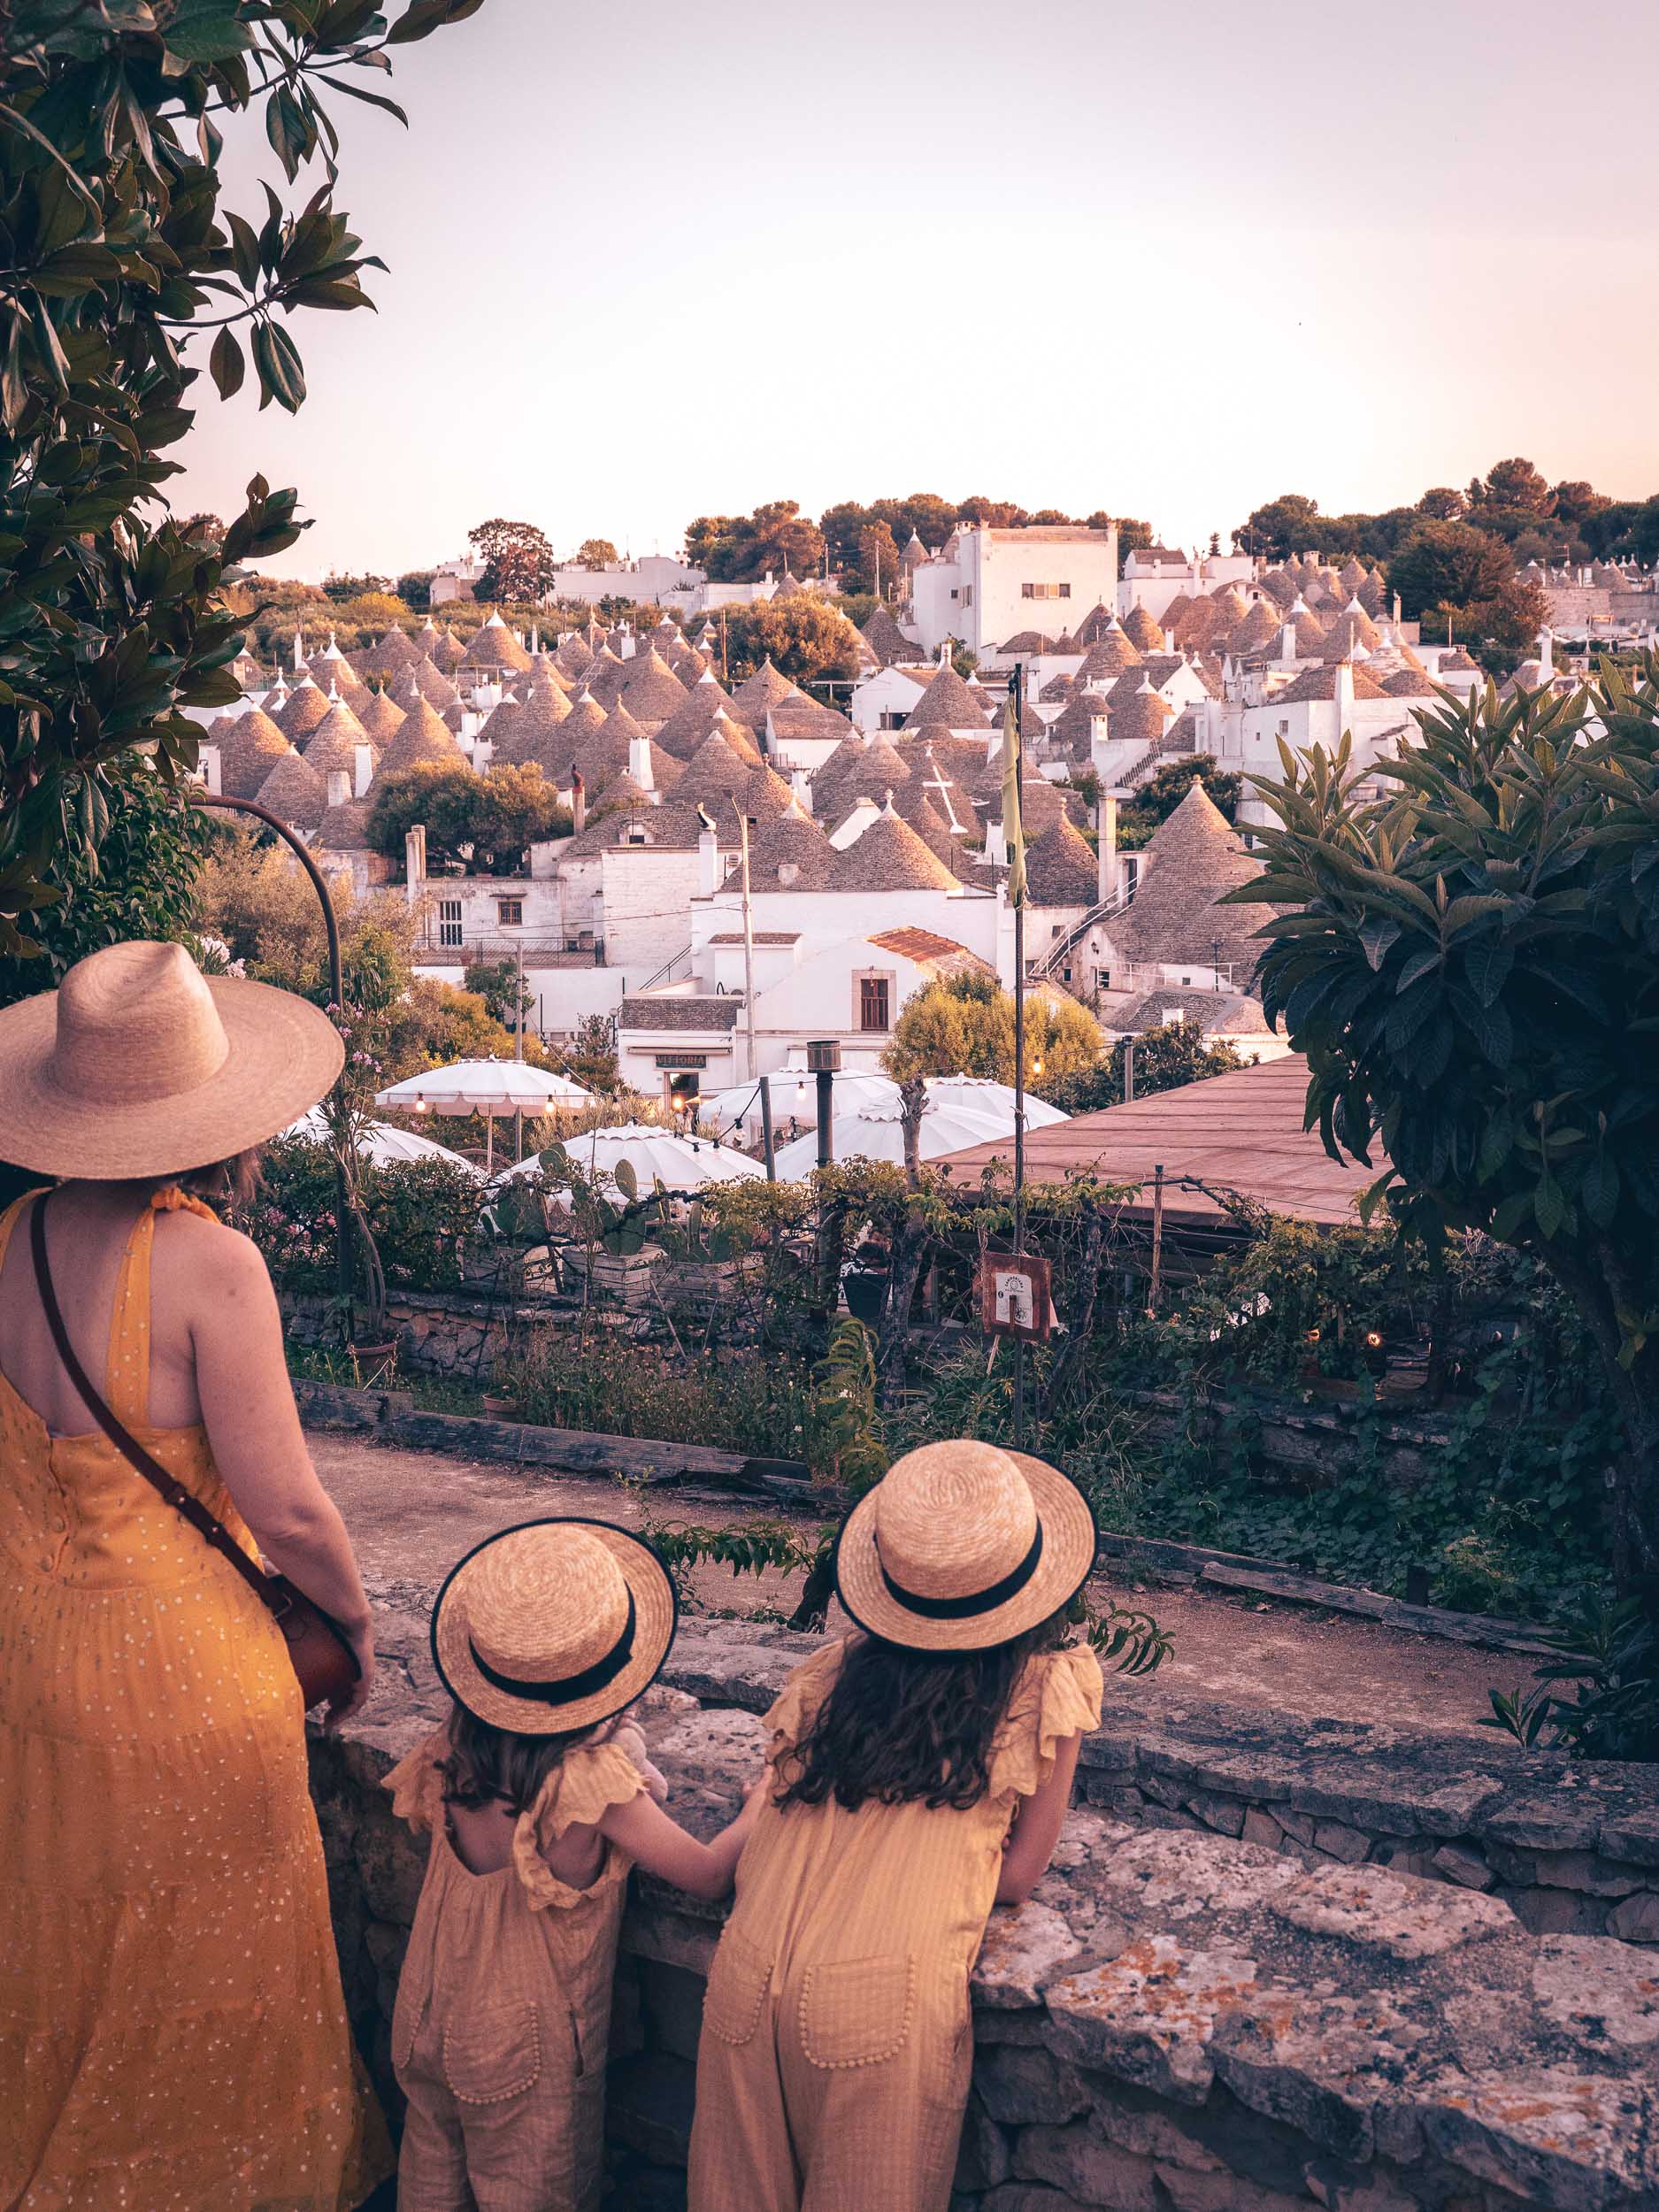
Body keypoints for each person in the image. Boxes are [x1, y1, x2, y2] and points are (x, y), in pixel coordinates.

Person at [0, 939, 390, 2210]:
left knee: (64, 1964)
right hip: (182, 1679)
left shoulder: (10, 1240)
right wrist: (354, 1622)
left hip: (33, 1668)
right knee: (211, 1976)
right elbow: (287, 1508)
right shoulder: (212, 1264)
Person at [687, 1438, 1105, 2212]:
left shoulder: (833, 1674)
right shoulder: (1044, 1685)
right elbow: (1016, 1878)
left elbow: (781, 1798)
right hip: (881, 1994)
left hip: (745, 1973)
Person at [384, 1517, 764, 2212]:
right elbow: (707, 1876)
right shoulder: (587, 1784)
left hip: (427, 2005)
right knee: (531, 2186)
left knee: (431, 2171)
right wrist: (757, 1807)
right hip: (520, 2042)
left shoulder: (450, 1749)